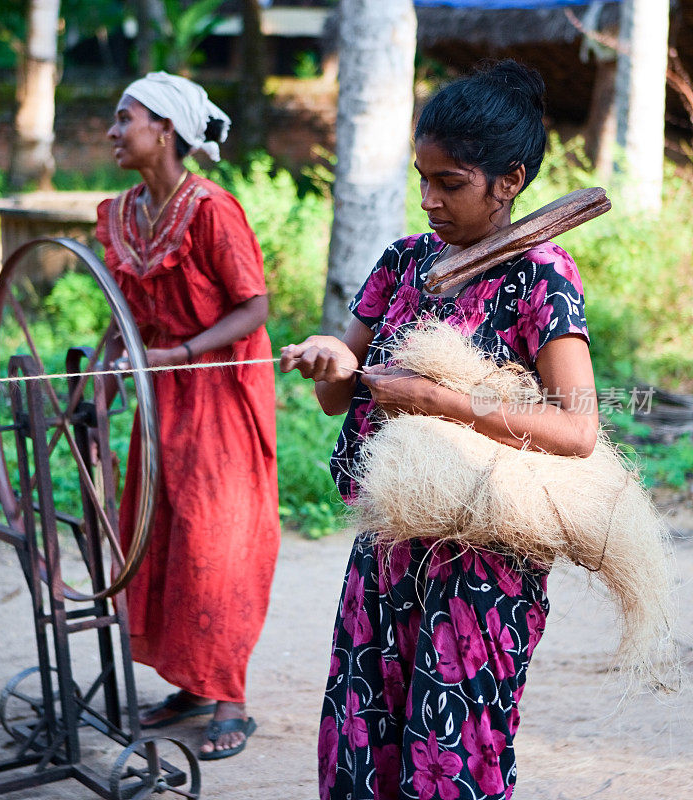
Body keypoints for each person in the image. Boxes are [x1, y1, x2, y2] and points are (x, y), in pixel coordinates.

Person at [280, 60, 598, 799]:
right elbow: (341, 396)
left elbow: (579, 432)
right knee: (368, 742)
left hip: (481, 570)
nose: (428, 199)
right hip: (385, 555)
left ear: (509, 180)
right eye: (421, 179)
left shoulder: (540, 278)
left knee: (451, 755)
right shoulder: (405, 263)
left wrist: (435, 400)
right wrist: (331, 357)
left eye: (450, 183)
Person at [96, 71, 280, 760]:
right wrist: (107, 374)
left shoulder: (210, 210)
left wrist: (179, 354)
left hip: (219, 397)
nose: (114, 131)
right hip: (159, 400)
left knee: (218, 543)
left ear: (164, 130)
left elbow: (254, 307)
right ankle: (192, 684)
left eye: (125, 117)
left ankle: (229, 698)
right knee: (162, 535)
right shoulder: (118, 213)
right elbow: (120, 309)